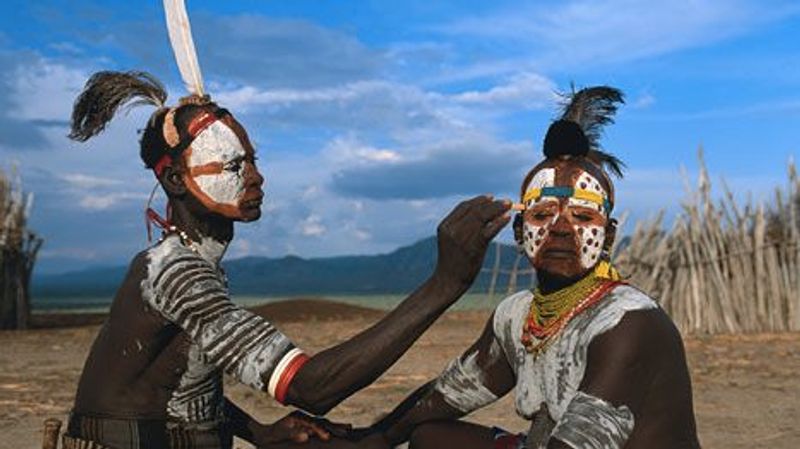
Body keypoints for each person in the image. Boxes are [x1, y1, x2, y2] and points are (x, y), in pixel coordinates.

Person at [62, 70, 510, 449]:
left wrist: (257, 431)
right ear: (176, 181)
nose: (256, 177)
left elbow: (175, 387)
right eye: (231, 164)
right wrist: (444, 283)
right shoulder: (176, 273)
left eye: (252, 160)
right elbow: (311, 387)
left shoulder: (193, 265)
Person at [363, 86, 702, 449]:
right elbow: (446, 396)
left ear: (607, 237)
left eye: (583, 217)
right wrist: (372, 438)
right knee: (430, 437)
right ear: (520, 232)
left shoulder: (629, 322)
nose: (560, 228)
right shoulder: (517, 317)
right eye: (542, 215)